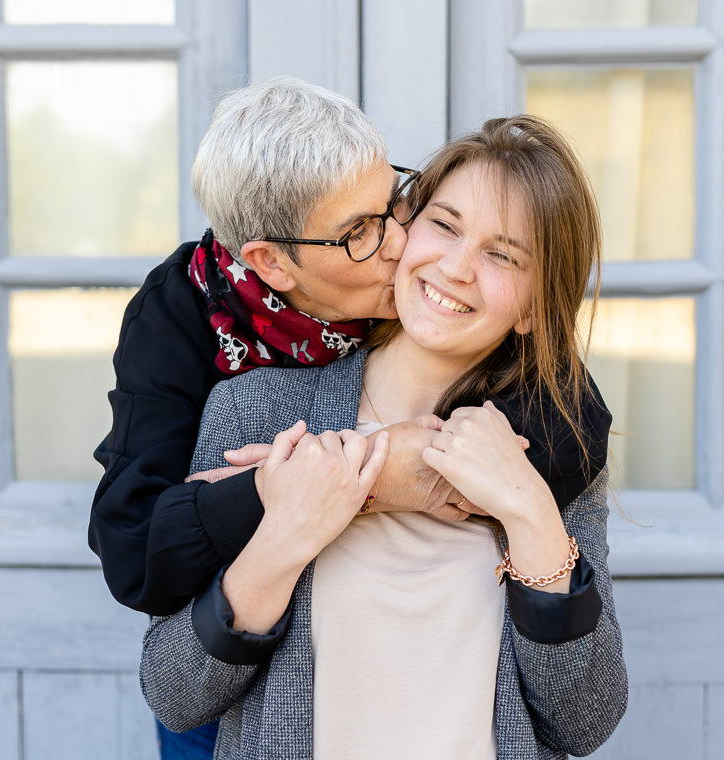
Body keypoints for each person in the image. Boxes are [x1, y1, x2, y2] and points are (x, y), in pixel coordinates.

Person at [140, 115, 628, 759]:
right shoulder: (254, 408)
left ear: (536, 308)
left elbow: (585, 720)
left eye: (502, 254)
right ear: (403, 229)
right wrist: (291, 530)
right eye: (445, 225)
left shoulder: (554, 449)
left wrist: (531, 513)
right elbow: (175, 693)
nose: (456, 267)